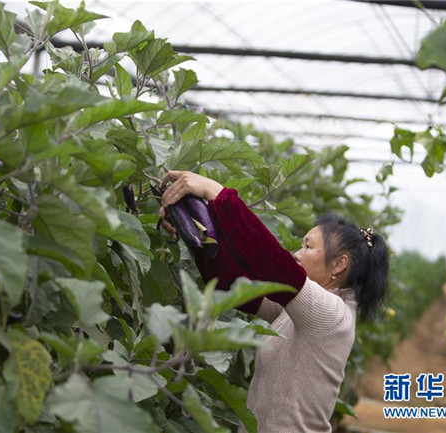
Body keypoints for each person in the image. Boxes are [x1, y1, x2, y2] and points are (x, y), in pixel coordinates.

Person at [158, 170, 389, 433]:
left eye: (308, 247)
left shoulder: (332, 315)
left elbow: (271, 262)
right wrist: (193, 227)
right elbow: (232, 284)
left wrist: (217, 193)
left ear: (338, 264)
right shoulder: (296, 309)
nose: (297, 254)